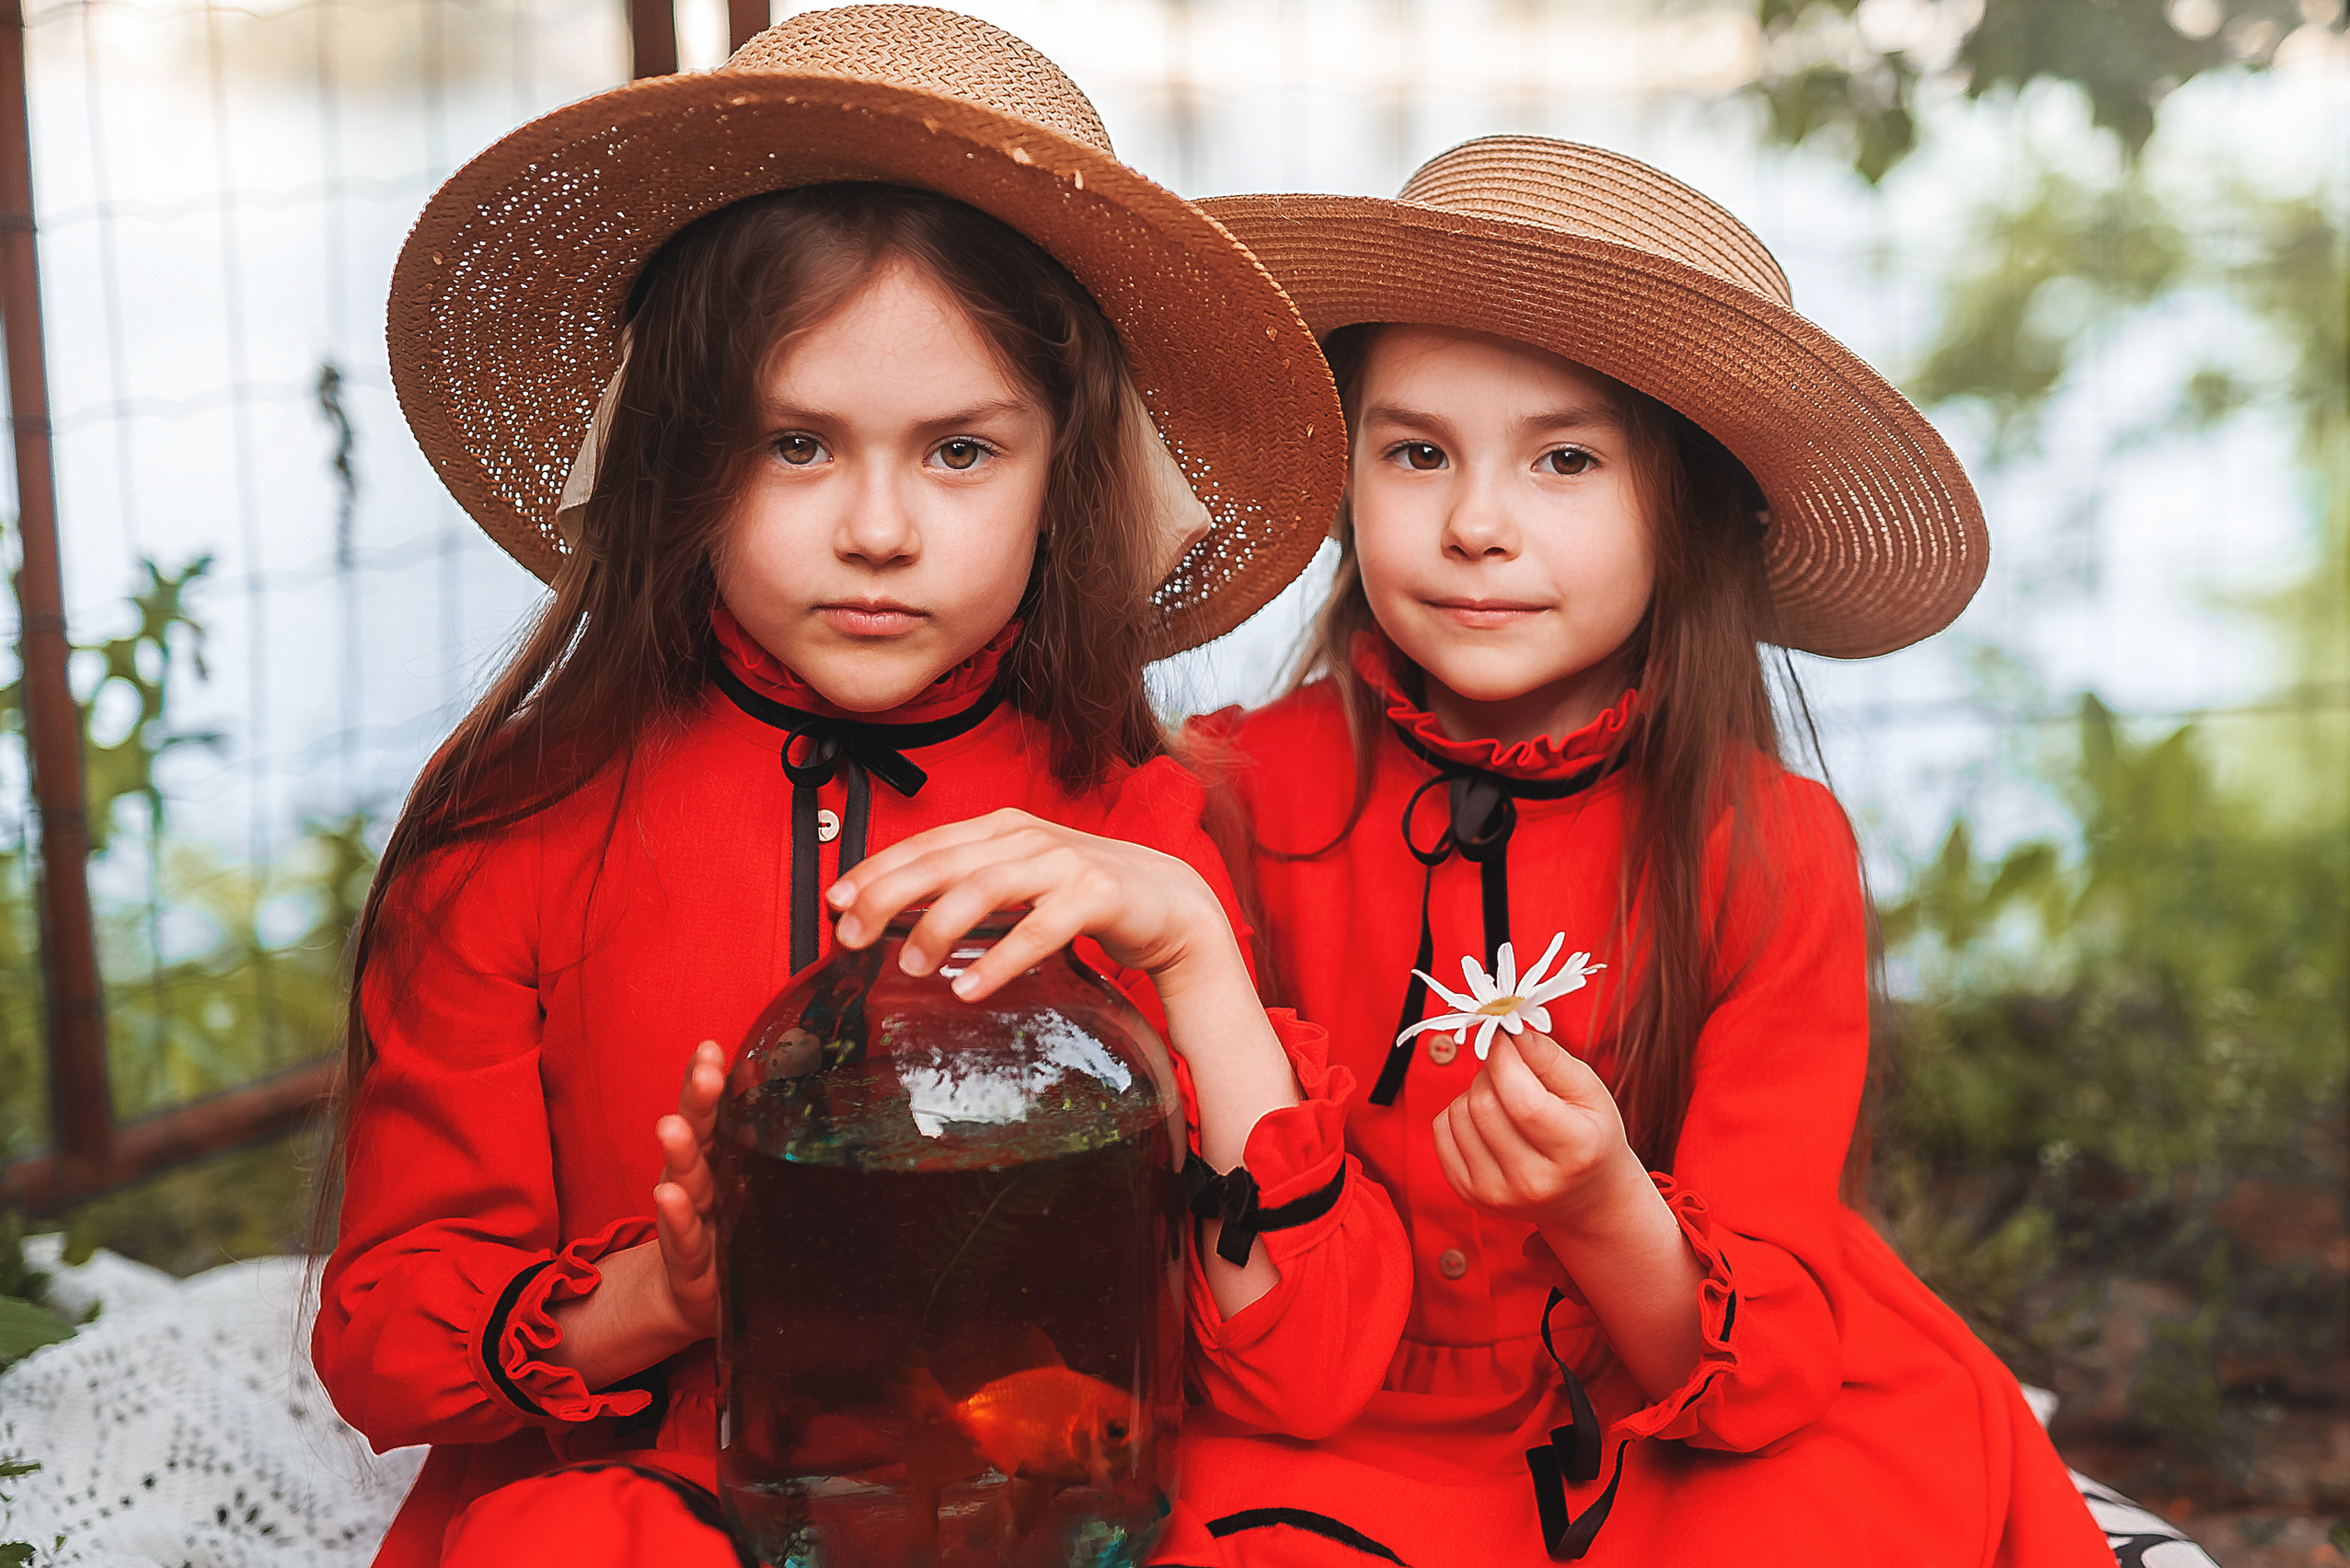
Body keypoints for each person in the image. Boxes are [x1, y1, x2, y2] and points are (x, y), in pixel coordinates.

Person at [312, 9, 1406, 1564]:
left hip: (1054, 1510)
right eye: (797, 445)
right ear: (677, 457)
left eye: (961, 453)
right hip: (658, 1504)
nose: (879, 530)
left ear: (1066, 469)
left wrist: (1193, 957)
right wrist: (666, 1295)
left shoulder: (1133, 818)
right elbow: (378, 1343)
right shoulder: (519, 815)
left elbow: (1315, 1366)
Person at [1169, 139, 2114, 1564]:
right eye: (1417, 451)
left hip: (1658, 1398)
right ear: (1344, 469)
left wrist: (1602, 1200)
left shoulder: (1770, 848)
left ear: (1691, 506)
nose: (1477, 525)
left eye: (1565, 459)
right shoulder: (1234, 792)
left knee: (1848, 1496)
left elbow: (1743, 1360)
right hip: (1322, 1399)